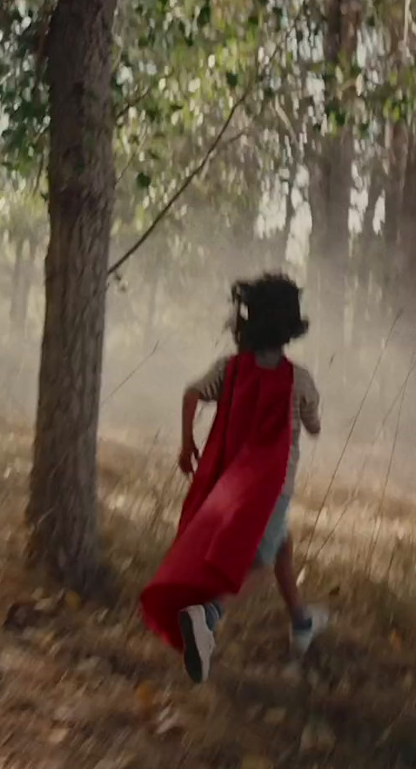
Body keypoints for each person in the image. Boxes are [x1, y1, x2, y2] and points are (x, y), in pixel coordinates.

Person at [139, 273, 327, 683]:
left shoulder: (230, 369)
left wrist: (186, 442)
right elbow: (314, 425)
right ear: (290, 329)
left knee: (280, 546)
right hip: (272, 488)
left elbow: (192, 392)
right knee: (259, 558)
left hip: (229, 485)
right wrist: (310, 419)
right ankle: (208, 617)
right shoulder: (300, 380)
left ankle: (301, 621)